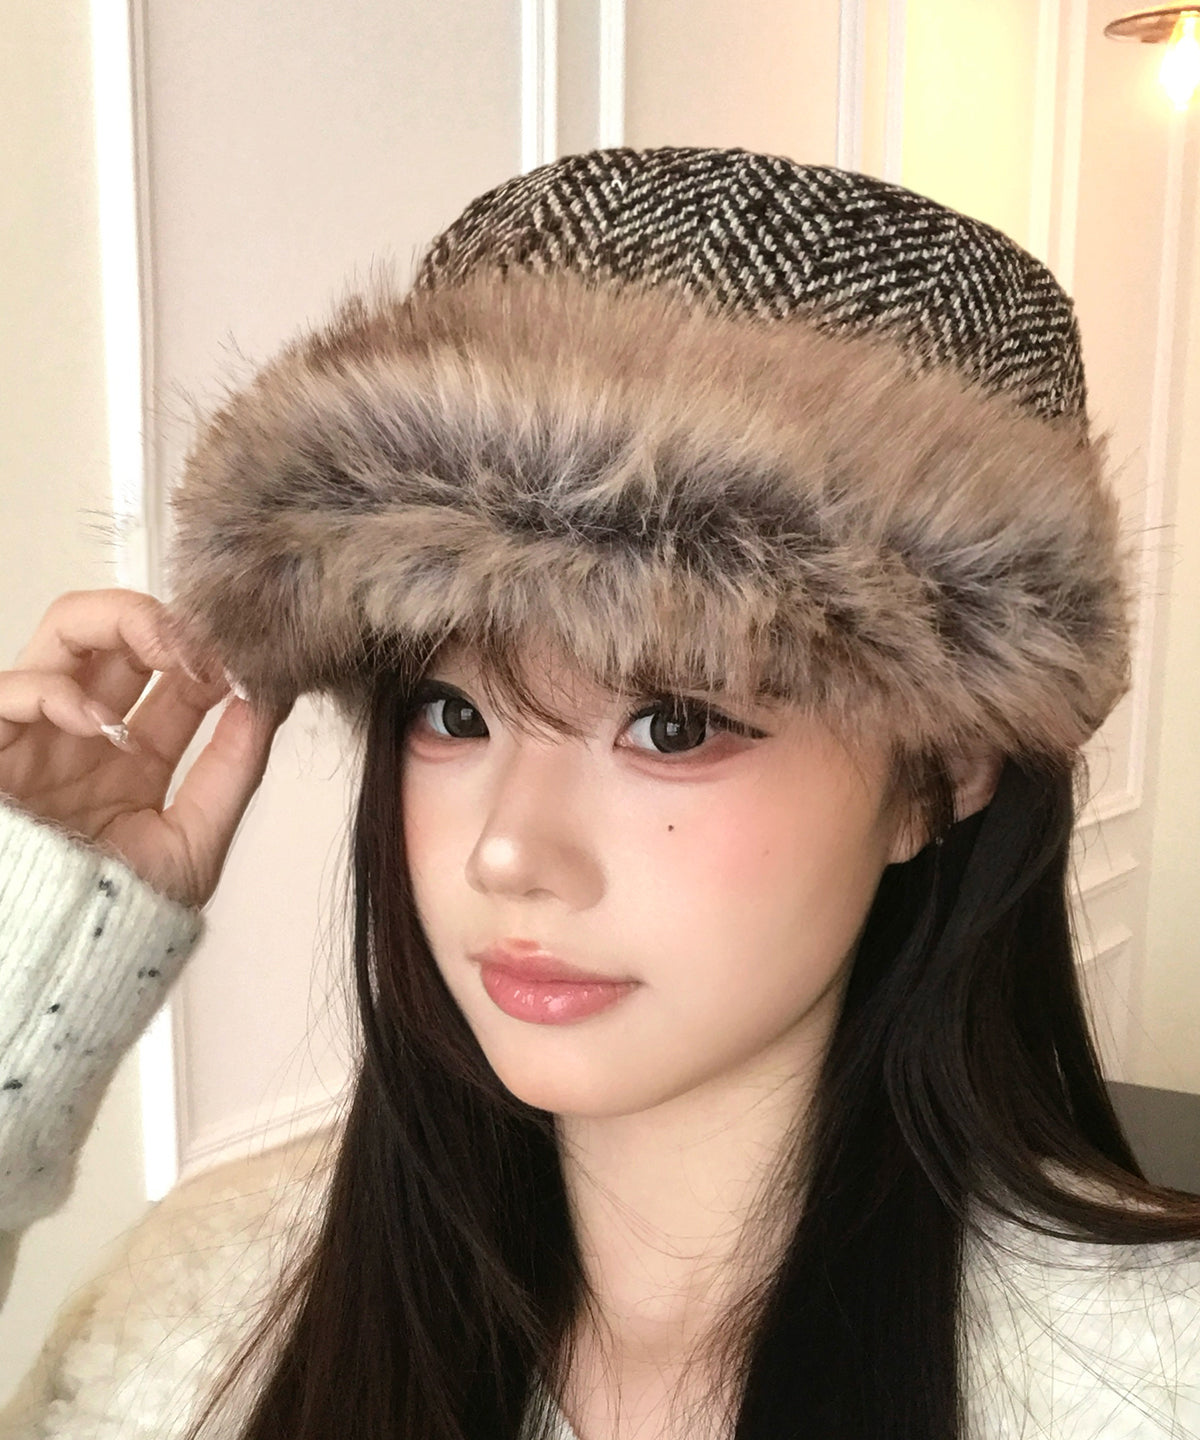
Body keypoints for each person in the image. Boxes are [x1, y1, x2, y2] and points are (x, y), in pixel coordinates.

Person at [1, 145, 1199, 1440]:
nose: (509, 853)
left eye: (672, 727)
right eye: (453, 714)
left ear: (941, 775)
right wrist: (31, 960)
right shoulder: (200, 1319)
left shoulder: (1150, 1377)